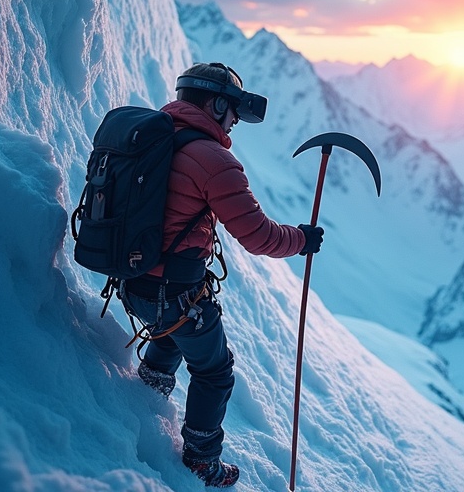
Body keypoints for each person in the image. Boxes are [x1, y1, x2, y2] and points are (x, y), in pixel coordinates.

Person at [119, 62, 324, 488]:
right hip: (174, 294)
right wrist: (301, 240)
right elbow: (259, 236)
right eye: (231, 111)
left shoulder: (150, 138)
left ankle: (149, 389)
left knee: (173, 330)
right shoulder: (214, 160)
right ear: (215, 105)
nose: (234, 122)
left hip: (133, 284)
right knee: (214, 370)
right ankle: (201, 459)